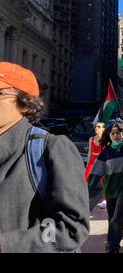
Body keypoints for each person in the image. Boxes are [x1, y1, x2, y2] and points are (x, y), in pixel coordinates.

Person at [0, 62, 90, 252]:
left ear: (24, 104)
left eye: (0, 93)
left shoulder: (52, 148)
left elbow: (70, 228)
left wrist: (7, 244)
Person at [88, 124, 123, 253]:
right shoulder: (106, 152)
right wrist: (88, 188)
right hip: (111, 188)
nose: (116, 135)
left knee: (117, 216)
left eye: (118, 133)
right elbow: (97, 171)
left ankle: (113, 246)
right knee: (111, 217)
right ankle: (112, 242)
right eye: (113, 133)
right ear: (109, 136)